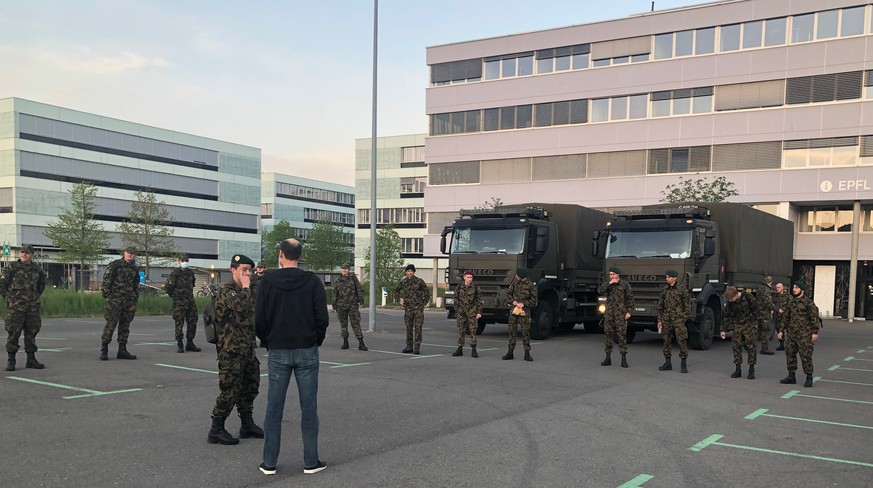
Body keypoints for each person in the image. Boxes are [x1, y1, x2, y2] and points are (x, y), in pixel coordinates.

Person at [255, 239, 329, 476]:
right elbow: (322, 318)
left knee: (274, 407)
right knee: (309, 407)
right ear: (299, 256)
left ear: (281, 255)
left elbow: (260, 318)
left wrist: (268, 340)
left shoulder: (267, 281)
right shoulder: (312, 282)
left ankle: (269, 462)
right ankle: (310, 461)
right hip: (306, 350)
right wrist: (315, 339)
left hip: (277, 351)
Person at [207, 254, 263, 446]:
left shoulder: (248, 290)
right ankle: (216, 428)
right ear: (233, 270)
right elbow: (240, 306)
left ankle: (247, 424)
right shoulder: (226, 290)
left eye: (250, 270)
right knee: (230, 389)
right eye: (244, 270)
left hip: (247, 348)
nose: (248, 274)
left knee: (250, 385)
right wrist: (247, 287)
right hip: (230, 350)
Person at [1, 244, 46, 371]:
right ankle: (11, 360)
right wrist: (10, 299)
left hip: (32, 307)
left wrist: (33, 299)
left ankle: (31, 359)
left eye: (27, 253)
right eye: (22, 252)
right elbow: (2, 285)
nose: (24, 255)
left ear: (32, 255)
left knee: (31, 333)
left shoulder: (38, 270)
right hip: (15, 307)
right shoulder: (12, 268)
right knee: (13, 333)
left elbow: (40, 287)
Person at [100, 246, 140, 361]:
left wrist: (134, 297)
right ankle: (104, 349)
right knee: (111, 324)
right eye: (128, 253)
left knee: (125, 325)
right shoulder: (115, 265)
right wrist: (108, 296)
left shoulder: (134, 268)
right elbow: (107, 281)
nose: (130, 255)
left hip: (128, 301)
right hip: (115, 300)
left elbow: (135, 284)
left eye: (132, 254)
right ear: (124, 253)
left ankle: (122, 350)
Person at [779, 281, 820, 388]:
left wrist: (815, 332)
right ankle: (791, 376)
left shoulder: (808, 303)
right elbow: (785, 318)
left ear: (802, 290)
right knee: (790, 355)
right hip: (792, 334)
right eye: (793, 287)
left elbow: (814, 318)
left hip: (804, 334)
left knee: (805, 356)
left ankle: (809, 377)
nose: (794, 289)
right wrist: (781, 330)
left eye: (796, 288)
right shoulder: (791, 303)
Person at [597, 266, 634, 368]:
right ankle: (608, 357)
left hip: (621, 314)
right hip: (609, 313)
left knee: (622, 335)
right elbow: (599, 291)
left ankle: (623, 359)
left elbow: (630, 299)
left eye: (613, 274)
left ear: (618, 275)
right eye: (610, 274)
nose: (611, 276)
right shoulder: (608, 285)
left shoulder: (625, 285)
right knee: (608, 334)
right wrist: (609, 283)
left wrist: (629, 312)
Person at [721, 286, 760, 379]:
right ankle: (738, 369)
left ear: (736, 295)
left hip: (749, 325)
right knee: (736, 346)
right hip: (737, 326)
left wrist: (756, 324)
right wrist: (724, 330)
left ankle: (751, 369)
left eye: (731, 299)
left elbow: (756, 311)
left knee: (751, 347)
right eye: (729, 299)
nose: (730, 301)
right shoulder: (730, 302)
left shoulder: (748, 297)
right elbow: (727, 316)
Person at [164, 254, 200, 353]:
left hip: (190, 300)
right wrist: (174, 295)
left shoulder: (191, 273)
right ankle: (180, 343)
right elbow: (168, 286)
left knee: (193, 320)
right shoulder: (175, 273)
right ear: (179, 261)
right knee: (179, 322)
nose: (185, 262)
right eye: (183, 260)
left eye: (186, 260)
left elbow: (192, 285)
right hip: (179, 301)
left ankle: (190, 342)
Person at [656, 269, 690, 373]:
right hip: (666, 319)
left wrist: (684, 317)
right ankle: (667, 362)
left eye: (669, 277)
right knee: (666, 341)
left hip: (678, 320)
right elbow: (660, 307)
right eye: (666, 277)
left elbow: (687, 305)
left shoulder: (682, 289)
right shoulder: (664, 290)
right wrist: (659, 320)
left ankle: (683, 364)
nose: (667, 278)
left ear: (674, 278)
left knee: (681, 340)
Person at [503, 267, 538, 362]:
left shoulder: (530, 285)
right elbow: (508, 294)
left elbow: (534, 301)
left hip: (524, 312)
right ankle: (510, 352)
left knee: (525, 332)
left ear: (522, 276)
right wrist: (513, 302)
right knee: (512, 331)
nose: (516, 276)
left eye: (517, 275)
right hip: (514, 311)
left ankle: (527, 353)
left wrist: (524, 304)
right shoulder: (514, 283)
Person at [395, 264, 429, 355]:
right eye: (408, 271)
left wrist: (423, 303)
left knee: (418, 328)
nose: (410, 272)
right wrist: (399, 300)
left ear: (414, 272)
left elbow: (426, 292)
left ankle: (417, 346)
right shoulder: (403, 282)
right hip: (408, 308)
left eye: (411, 271)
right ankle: (409, 346)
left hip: (418, 308)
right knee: (408, 327)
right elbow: (396, 291)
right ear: (406, 272)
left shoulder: (419, 281)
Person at [332, 263, 366, 351]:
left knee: (355, 324)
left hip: (352, 305)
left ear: (349, 270)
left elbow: (358, 289)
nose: (344, 270)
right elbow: (335, 293)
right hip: (341, 305)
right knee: (343, 324)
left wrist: (360, 300)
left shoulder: (353, 279)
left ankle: (361, 343)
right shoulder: (338, 281)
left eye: (346, 268)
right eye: (343, 268)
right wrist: (334, 304)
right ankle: (345, 342)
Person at [452, 269, 483, 358]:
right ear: (464, 277)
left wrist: (479, 312)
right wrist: (457, 310)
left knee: (473, 331)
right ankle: (460, 349)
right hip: (461, 312)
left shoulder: (476, 287)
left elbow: (479, 300)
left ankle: (474, 350)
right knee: (461, 330)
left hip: (472, 312)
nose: (469, 279)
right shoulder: (459, 287)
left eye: (471, 277)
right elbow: (455, 299)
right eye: (468, 277)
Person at [757, 276, 775, 355]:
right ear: (770, 282)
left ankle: (748, 344)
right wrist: (775, 309)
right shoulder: (767, 290)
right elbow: (768, 303)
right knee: (766, 331)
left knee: (758, 330)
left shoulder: (760, 289)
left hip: (759, 312)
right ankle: (764, 349)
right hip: (765, 314)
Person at [773, 282, 790, 351]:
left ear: (782, 288)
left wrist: (783, 309)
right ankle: (781, 345)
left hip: (787, 317)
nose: (777, 289)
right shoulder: (775, 297)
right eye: (776, 288)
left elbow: (791, 305)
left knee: (790, 331)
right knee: (779, 331)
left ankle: (790, 345)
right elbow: (772, 305)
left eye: (778, 287)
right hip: (778, 317)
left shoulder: (788, 296)